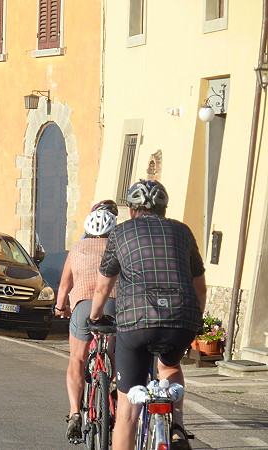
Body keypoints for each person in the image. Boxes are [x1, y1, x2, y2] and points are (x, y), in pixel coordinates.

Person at [89, 180, 206, 450]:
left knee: (127, 413)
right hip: (181, 317)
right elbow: (200, 287)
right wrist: (195, 320)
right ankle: (176, 426)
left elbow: (103, 287)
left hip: (136, 321)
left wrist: (95, 317)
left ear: (131, 211)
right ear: (165, 209)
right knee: (170, 366)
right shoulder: (183, 231)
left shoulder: (121, 232)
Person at [55, 209, 118, 441]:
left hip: (82, 305)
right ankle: (113, 385)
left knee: (77, 359)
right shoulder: (118, 247)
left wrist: (60, 307)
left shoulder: (76, 248)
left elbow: (64, 285)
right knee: (115, 355)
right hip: (113, 305)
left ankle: (74, 413)